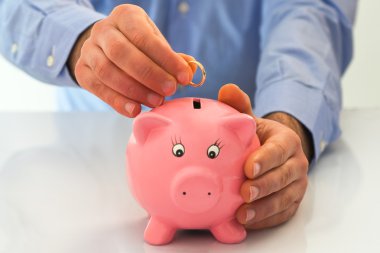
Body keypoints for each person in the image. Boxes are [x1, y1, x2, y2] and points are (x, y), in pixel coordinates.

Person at [0, 0, 357, 230]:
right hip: (86, 158)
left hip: (246, 146)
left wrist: (286, 121)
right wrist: (83, 41)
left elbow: (311, 11)